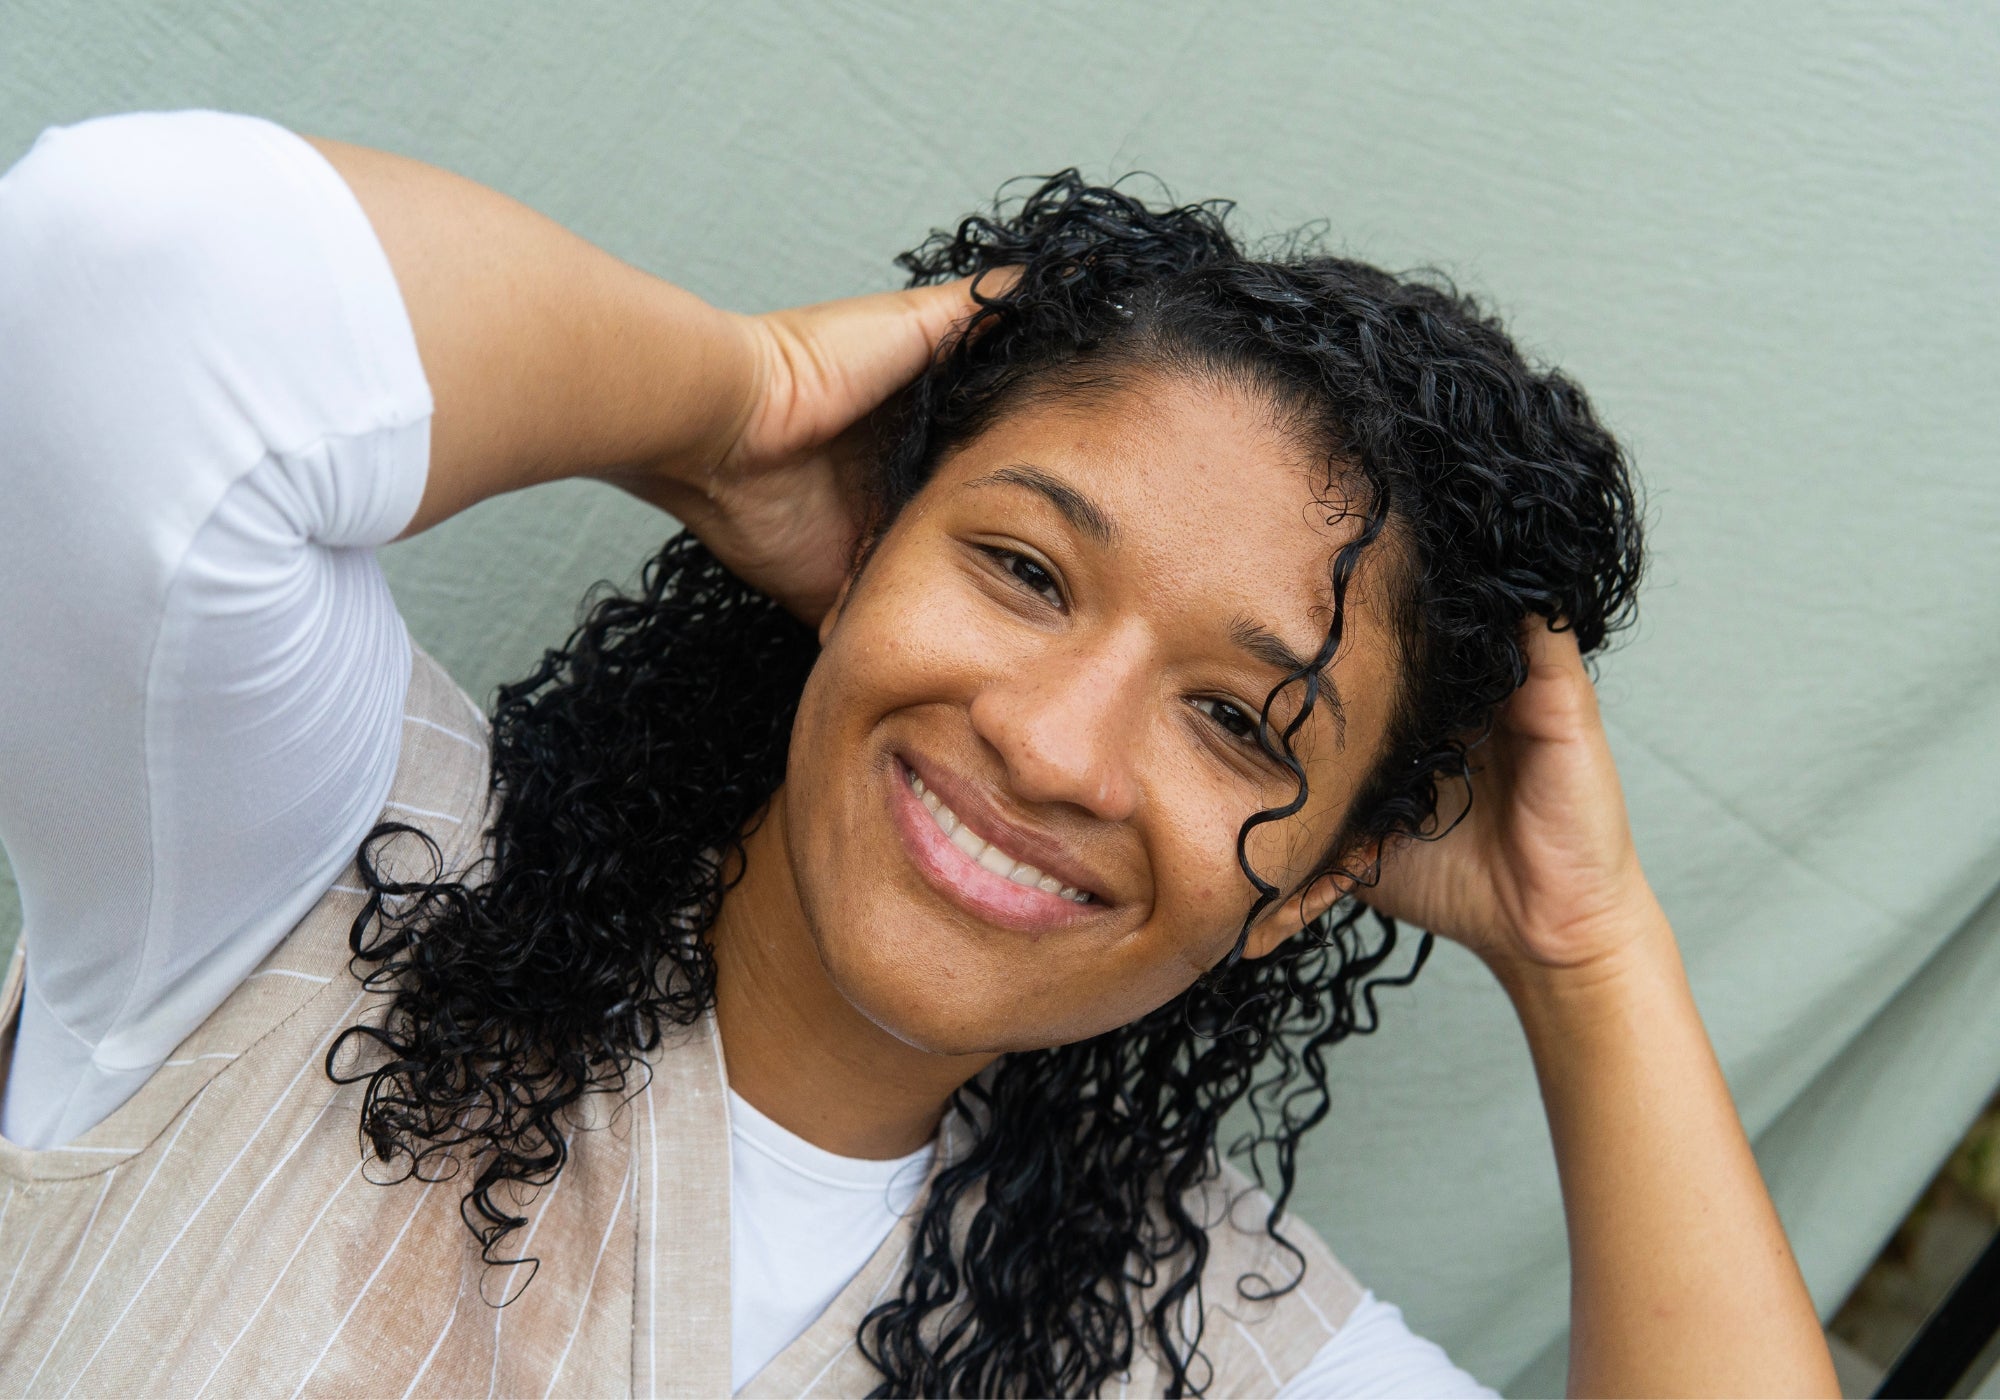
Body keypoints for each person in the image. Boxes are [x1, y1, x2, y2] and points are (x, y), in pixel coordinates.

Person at [0, 110, 1836, 1397]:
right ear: (866, 549)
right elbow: (123, 263)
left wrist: (1587, 954)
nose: (1053, 746)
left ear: (1315, 886)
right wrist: (737, 406)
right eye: (1024, 570)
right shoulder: (296, 871)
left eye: (1236, 722)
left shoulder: (1210, 1348)